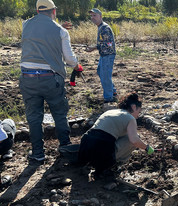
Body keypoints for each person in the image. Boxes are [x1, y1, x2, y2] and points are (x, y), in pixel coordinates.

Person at [20, 0, 82, 162]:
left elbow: (40, 30)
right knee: (59, 114)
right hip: (51, 79)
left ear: (37, 11)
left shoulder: (26, 25)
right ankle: (65, 147)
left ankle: (38, 154)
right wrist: (76, 66)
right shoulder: (61, 31)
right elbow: (69, 59)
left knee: (34, 117)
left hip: (28, 79)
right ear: (54, 11)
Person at [60, 93, 155, 177]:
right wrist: (146, 148)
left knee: (117, 137)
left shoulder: (110, 112)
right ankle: (113, 166)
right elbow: (134, 140)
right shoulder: (130, 118)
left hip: (85, 146)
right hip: (102, 150)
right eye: (139, 111)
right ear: (134, 107)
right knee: (135, 138)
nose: (138, 115)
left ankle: (87, 162)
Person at [85, 8, 117, 103]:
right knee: (100, 72)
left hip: (108, 55)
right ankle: (113, 91)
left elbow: (109, 44)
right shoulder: (101, 27)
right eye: (91, 16)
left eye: (95, 15)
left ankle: (108, 98)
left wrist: (94, 47)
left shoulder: (105, 28)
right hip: (104, 55)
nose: (92, 17)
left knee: (105, 76)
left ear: (100, 16)